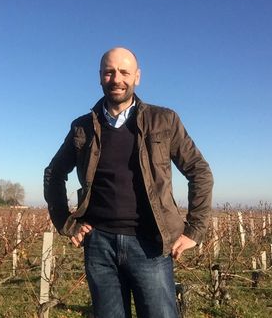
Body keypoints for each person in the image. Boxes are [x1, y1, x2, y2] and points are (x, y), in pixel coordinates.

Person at [44, 47, 213, 318]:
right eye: (109, 72)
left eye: (124, 72)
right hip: (99, 244)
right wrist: (65, 221)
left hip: (151, 244)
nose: (116, 78)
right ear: (100, 77)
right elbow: (53, 173)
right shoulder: (82, 126)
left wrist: (194, 230)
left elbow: (199, 171)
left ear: (137, 76)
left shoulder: (164, 120)